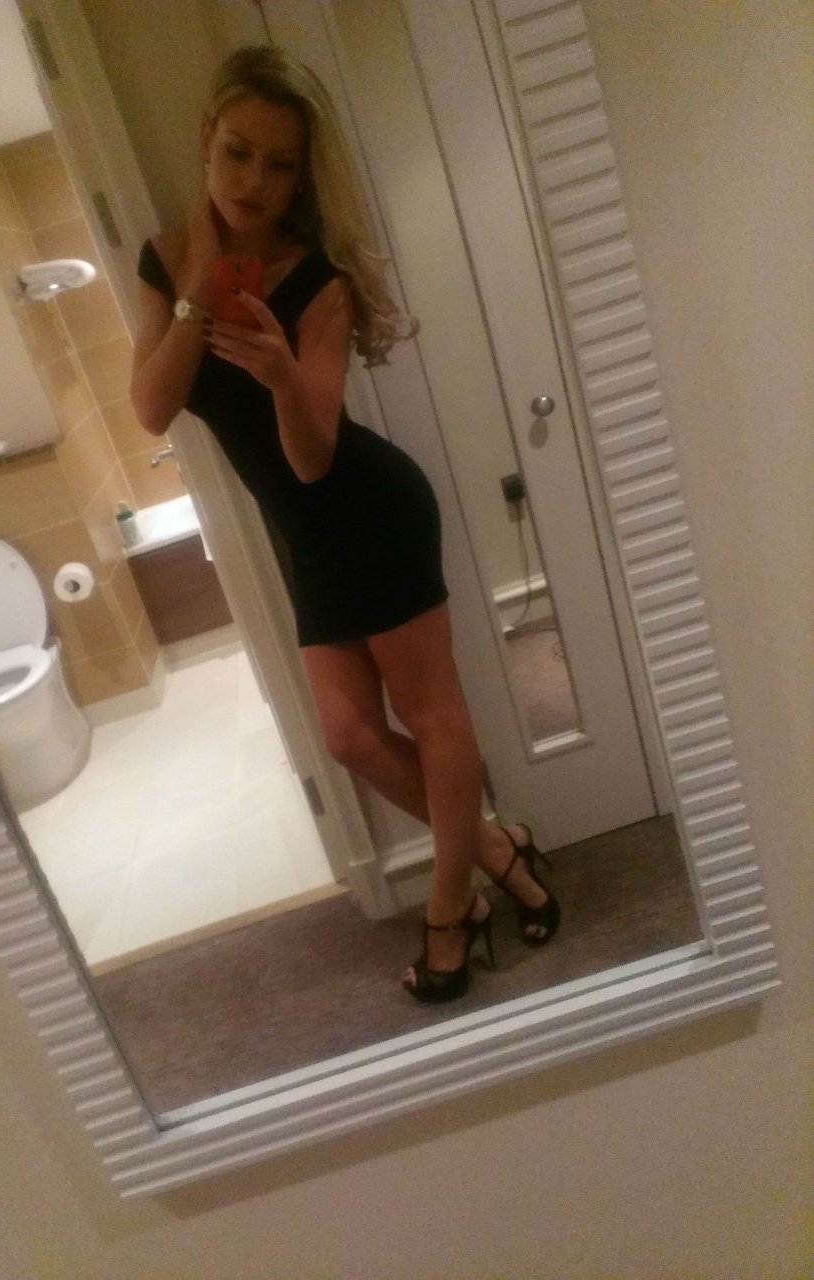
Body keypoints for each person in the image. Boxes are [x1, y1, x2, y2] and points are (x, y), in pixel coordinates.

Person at [131, 45, 559, 1003]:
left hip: (371, 511)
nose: (254, 180)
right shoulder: (164, 262)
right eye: (239, 152)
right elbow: (152, 407)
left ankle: (450, 909)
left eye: (279, 164)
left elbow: (314, 459)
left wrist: (284, 376)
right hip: (309, 541)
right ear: (206, 141)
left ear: (300, 178)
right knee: (349, 738)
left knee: (432, 715)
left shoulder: (318, 282)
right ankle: (498, 851)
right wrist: (198, 285)